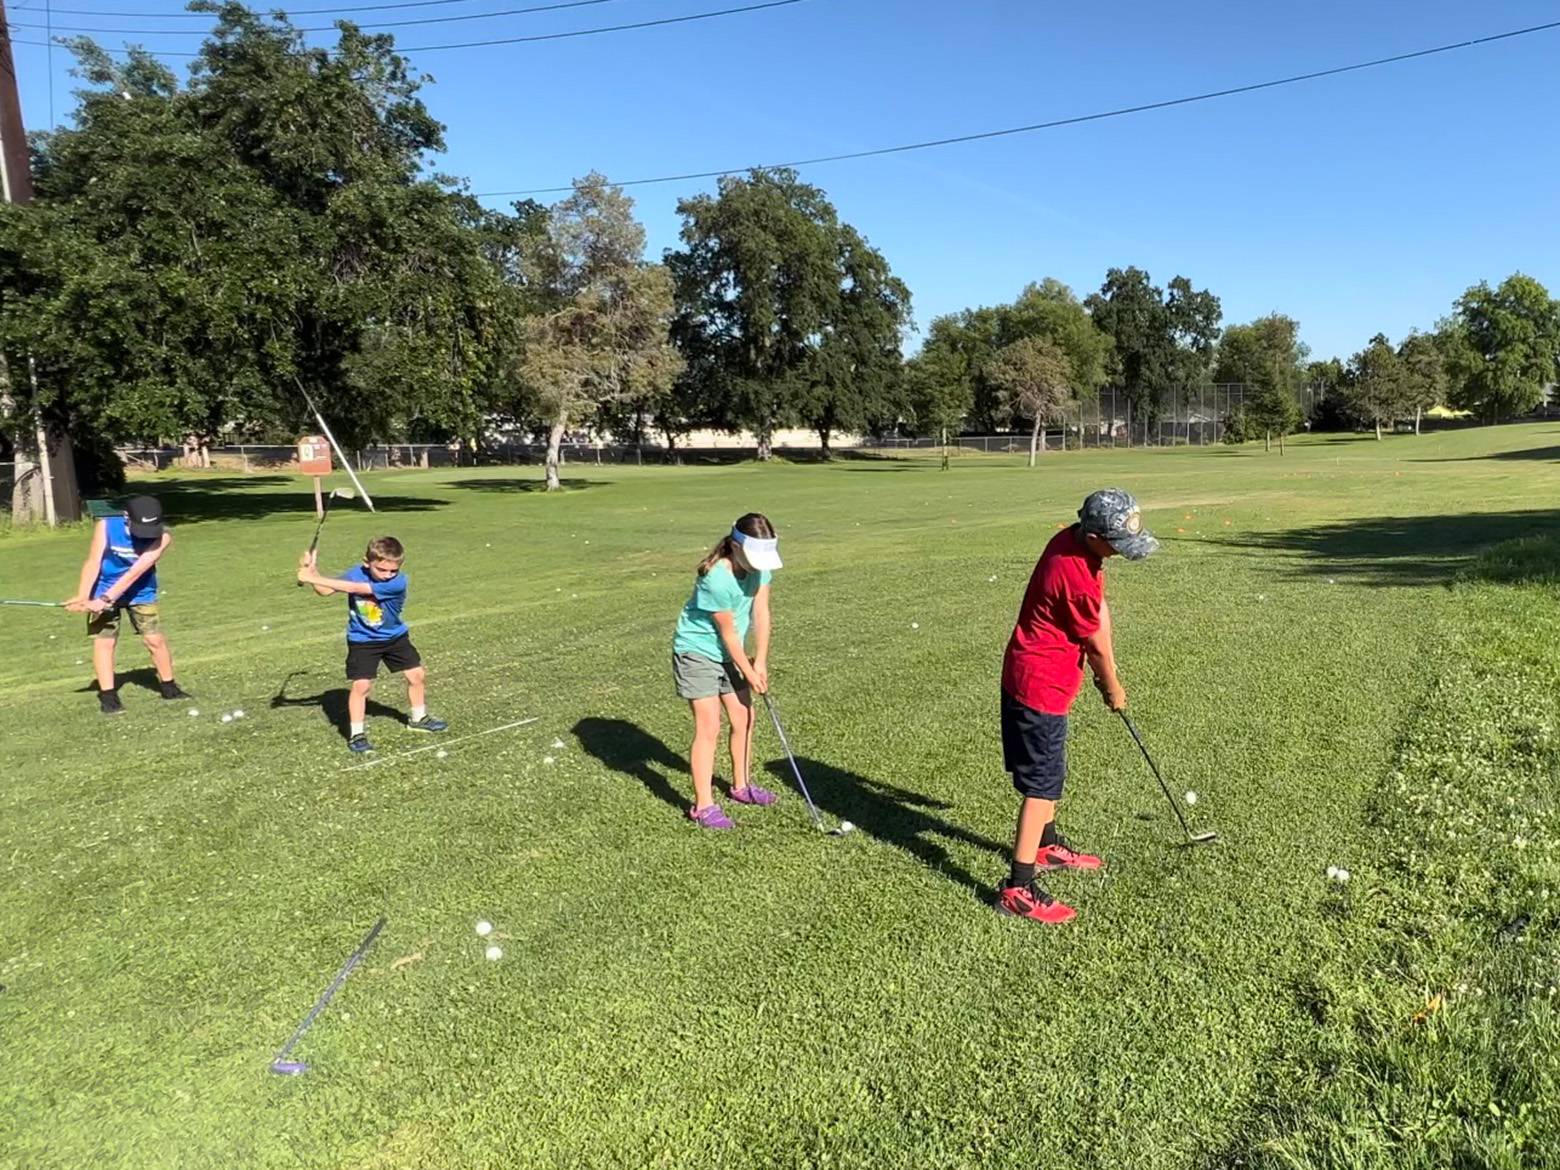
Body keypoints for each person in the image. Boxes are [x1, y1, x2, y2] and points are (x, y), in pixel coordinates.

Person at [995, 489, 1159, 923]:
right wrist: (1112, 686)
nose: (1121, 554)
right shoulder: (1074, 576)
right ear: (1093, 534)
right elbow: (1097, 645)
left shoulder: (1069, 542)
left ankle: (1046, 847)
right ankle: (1018, 886)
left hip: (1034, 677)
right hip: (1040, 688)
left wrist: (1110, 665)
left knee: (1051, 773)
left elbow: (1100, 617)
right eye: (1116, 544)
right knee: (1042, 786)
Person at [671, 513, 781, 829]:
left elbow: (761, 612)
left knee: (744, 718)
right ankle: (703, 806)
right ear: (735, 546)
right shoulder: (716, 577)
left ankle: (742, 786)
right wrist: (746, 670)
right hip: (697, 652)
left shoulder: (759, 570)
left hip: (730, 655)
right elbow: (728, 633)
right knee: (710, 727)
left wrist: (760, 660)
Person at [297, 535, 447, 753]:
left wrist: (311, 578)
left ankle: (419, 718)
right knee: (362, 686)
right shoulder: (355, 573)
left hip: (395, 636)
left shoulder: (398, 582)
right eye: (382, 570)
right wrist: (312, 571)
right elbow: (325, 591)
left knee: (416, 675)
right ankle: (357, 734)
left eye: (392, 570)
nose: (388, 575)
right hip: (363, 640)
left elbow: (358, 589)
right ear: (367, 562)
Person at [64, 494, 190, 715]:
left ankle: (169, 687)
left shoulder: (163, 537)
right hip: (102, 587)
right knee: (105, 642)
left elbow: (136, 571)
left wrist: (104, 600)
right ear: (125, 517)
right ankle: (108, 696)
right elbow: (93, 561)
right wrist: (84, 596)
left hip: (140, 589)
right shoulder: (106, 526)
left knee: (154, 638)